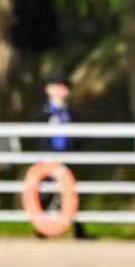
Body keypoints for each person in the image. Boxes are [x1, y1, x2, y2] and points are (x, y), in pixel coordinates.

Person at [38, 77, 86, 240]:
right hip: (47, 158)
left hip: (68, 157)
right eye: (57, 87)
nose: (61, 91)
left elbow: (81, 136)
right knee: (45, 193)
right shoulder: (41, 112)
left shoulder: (72, 113)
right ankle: (41, 228)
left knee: (73, 193)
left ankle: (79, 230)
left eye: (63, 87)